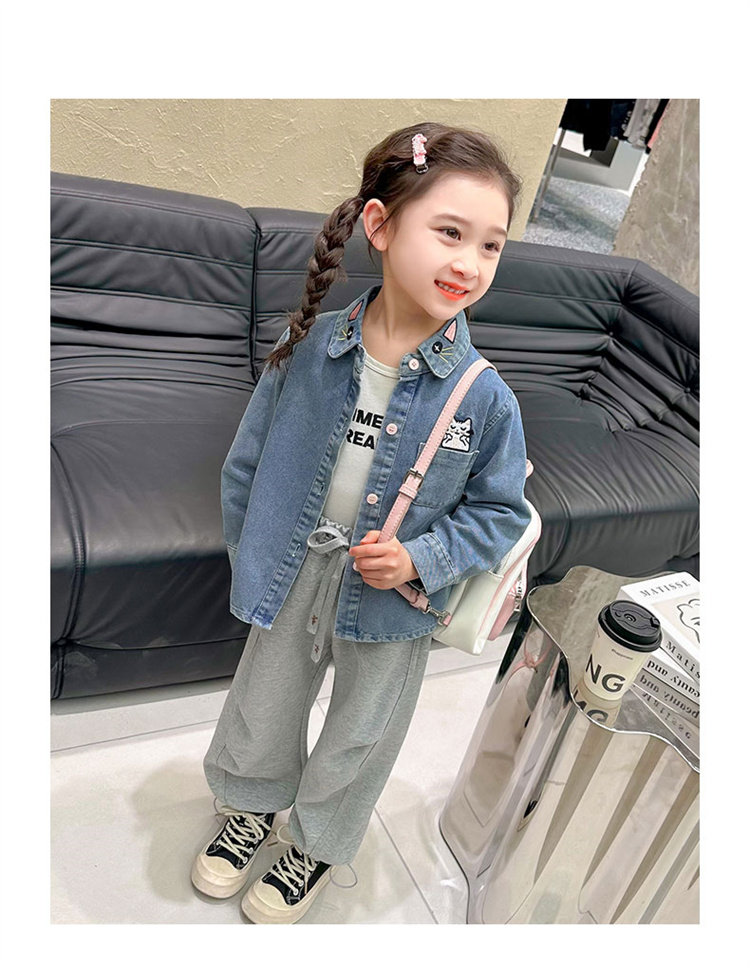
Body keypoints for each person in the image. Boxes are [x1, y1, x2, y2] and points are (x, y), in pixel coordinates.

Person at [191, 121, 532, 924]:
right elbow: (249, 458)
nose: (470, 263)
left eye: (490, 245)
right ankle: (250, 808)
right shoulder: (311, 345)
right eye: (450, 232)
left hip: (393, 597)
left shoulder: (485, 398)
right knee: (263, 703)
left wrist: (421, 559)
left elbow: (500, 512)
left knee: (361, 731)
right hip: (294, 567)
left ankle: (315, 841)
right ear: (380, 225)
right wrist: (251, 552)